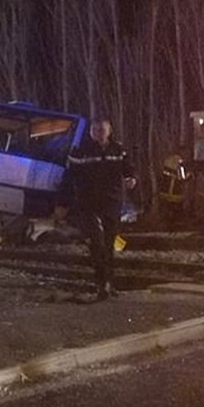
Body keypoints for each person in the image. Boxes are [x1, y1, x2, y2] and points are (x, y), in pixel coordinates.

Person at [55, 117, 137, 300]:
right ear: (91, 132)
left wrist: (131, 178)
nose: (99, 134)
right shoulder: (80, 151)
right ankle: (101, 282)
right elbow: (68, 178)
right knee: (96, 241)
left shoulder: (118, 150)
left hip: (111, 202)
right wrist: (62, 204)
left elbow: (128, 168)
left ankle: (109, 283)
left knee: (109, 242)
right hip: (88, 203)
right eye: (95, 130)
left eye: (102, 130)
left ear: (109, 131)